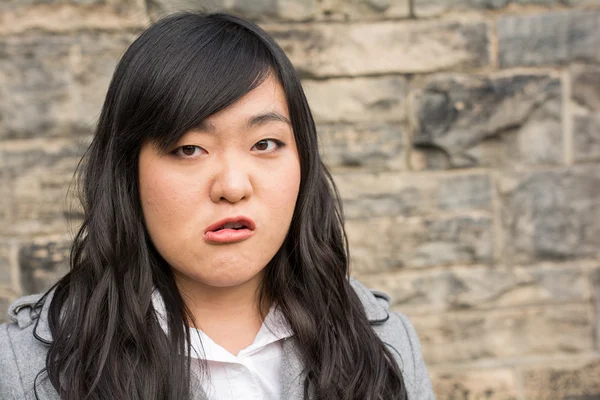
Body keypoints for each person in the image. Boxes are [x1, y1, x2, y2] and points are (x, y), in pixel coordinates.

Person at [0, 12, 435, 400]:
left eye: (265, 144)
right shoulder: (26, 368)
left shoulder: (384, 343)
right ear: (126, 172)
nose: (232, 186)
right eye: (189, 149)